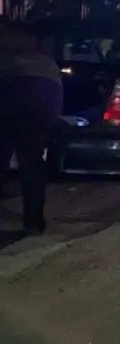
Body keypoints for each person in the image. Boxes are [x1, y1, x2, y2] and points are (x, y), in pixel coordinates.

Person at [0, 19, 63, 236]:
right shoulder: (40, 50)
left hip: (11, 89)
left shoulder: (7, 46)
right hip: (44, 94)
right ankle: (34, 222)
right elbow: (55, 88)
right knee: (32, 161)